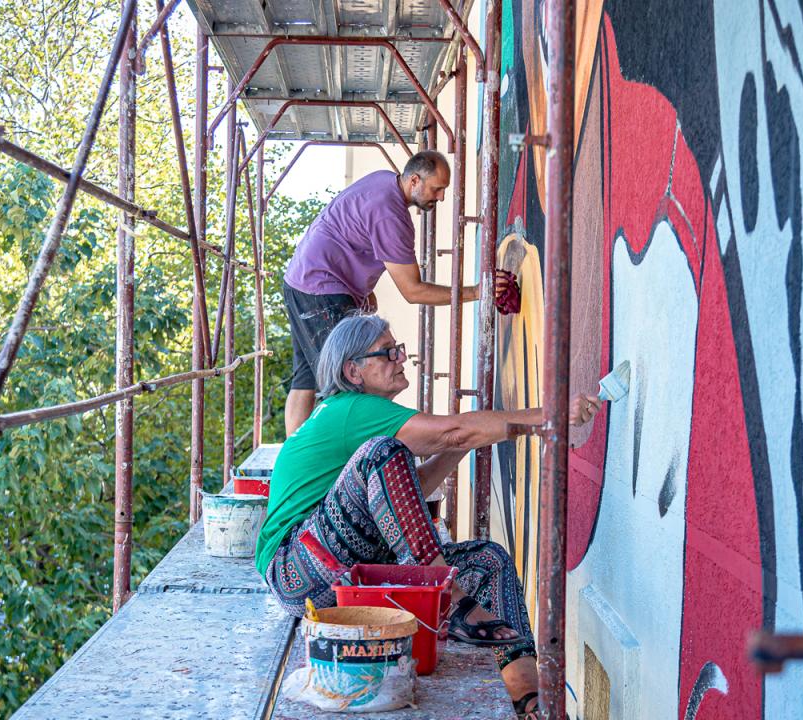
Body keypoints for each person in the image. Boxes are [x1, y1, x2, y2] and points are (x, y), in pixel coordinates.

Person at [255, 314, 600, 719]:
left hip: (336, 569)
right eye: (388, 352)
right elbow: (450, 431)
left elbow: (409, 484)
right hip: (298, 569)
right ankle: (446, 596)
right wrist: (549, 415)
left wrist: (466, 442)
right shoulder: (350, 409)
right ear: (354, 371)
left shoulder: (355, 413)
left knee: (488, 561)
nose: (402, 359)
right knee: (382, 451)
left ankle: (529, 698)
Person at [281, 150, 514, 434]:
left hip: (301, 281)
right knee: (347, 380)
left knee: (306, 377)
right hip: (322, 289)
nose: (440, 197)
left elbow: (351, 237)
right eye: (437, 188)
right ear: (414, 180)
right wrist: (477, 291)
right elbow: (413, 291)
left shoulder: (383, 182)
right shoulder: (391, 214)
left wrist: (359, 292)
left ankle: (294, 457)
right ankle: (334, 459)